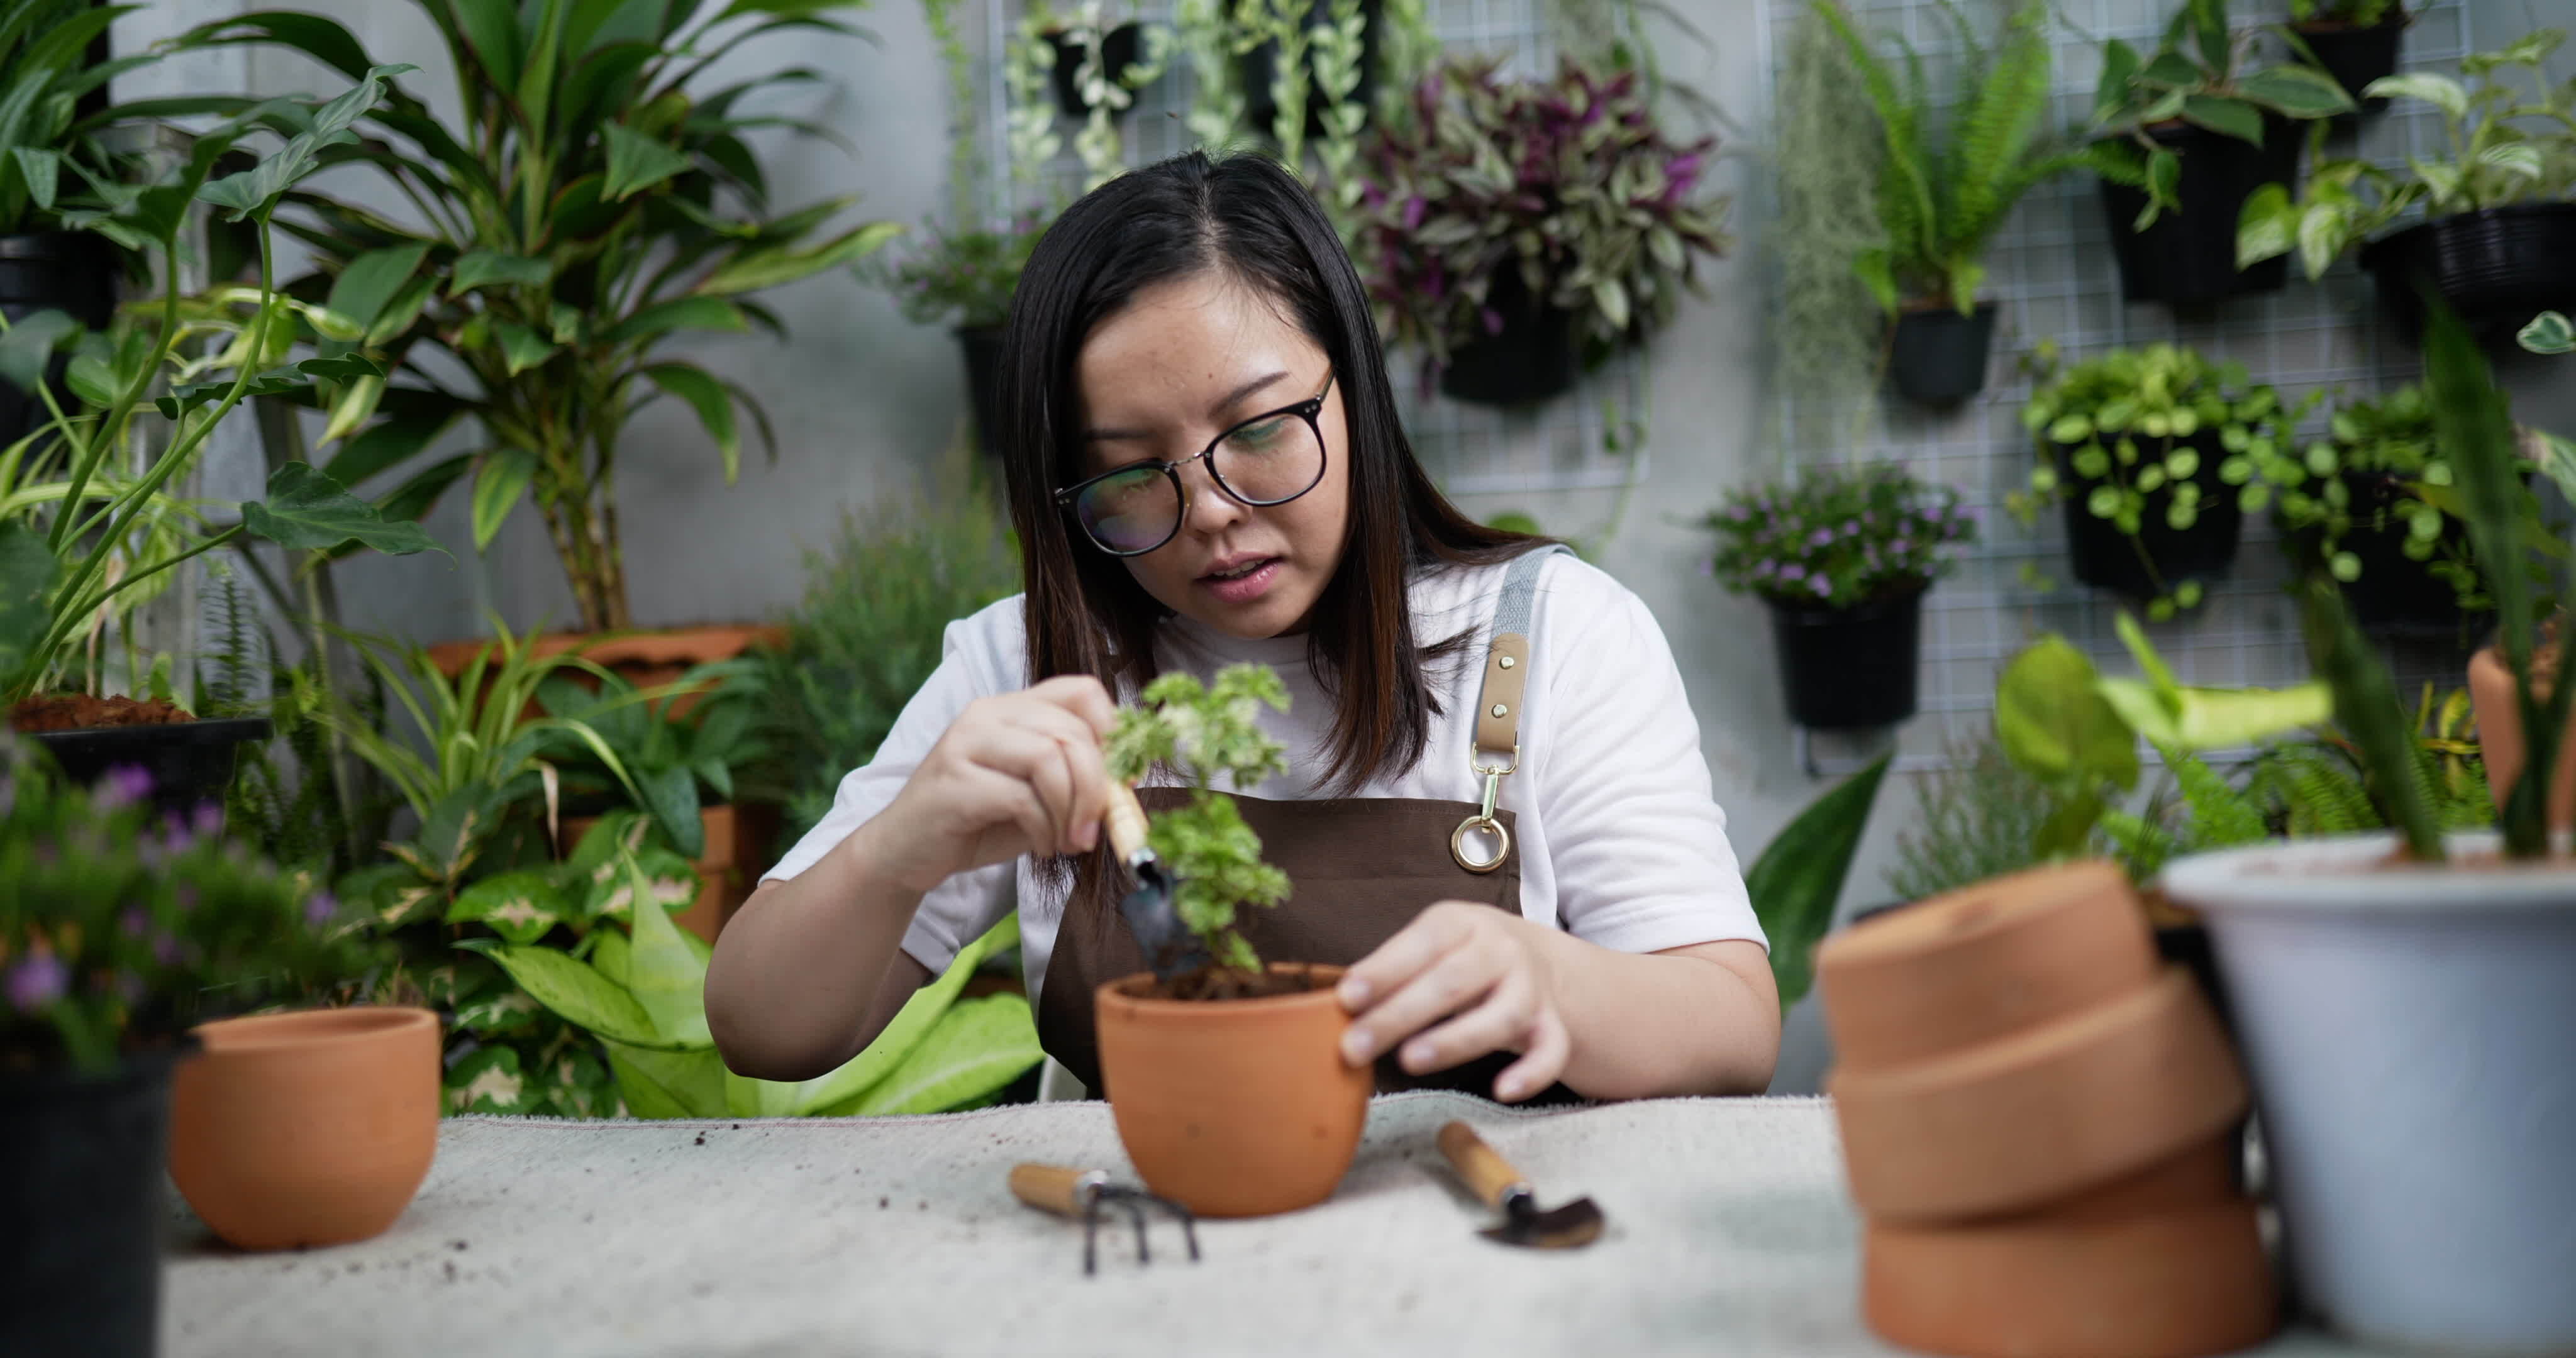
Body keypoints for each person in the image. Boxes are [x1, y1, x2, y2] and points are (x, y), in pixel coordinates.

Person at [707, 151, 1778, 1103]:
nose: (1213, 511)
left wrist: (1557, 984)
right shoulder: (1027, 670)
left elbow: (1733, 1025)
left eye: (1260, 429)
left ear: (1353, 389)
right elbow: (761, 1030)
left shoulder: (1549, 639)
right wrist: (895, 854)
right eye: (1130, 472)